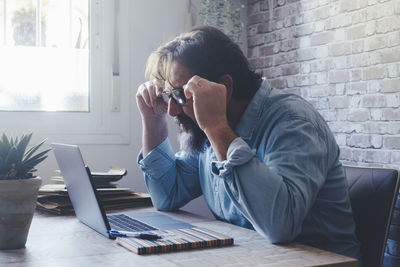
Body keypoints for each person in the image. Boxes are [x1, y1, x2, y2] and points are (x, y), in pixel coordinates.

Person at [136, 26, 360, 259]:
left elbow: (280, 227)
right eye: (169, 96)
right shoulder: (205, 135)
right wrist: (152, 121)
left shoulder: (293, 121)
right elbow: (166, 196)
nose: (172, 110)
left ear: (225, 87)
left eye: (180, 94)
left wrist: (217, 128)